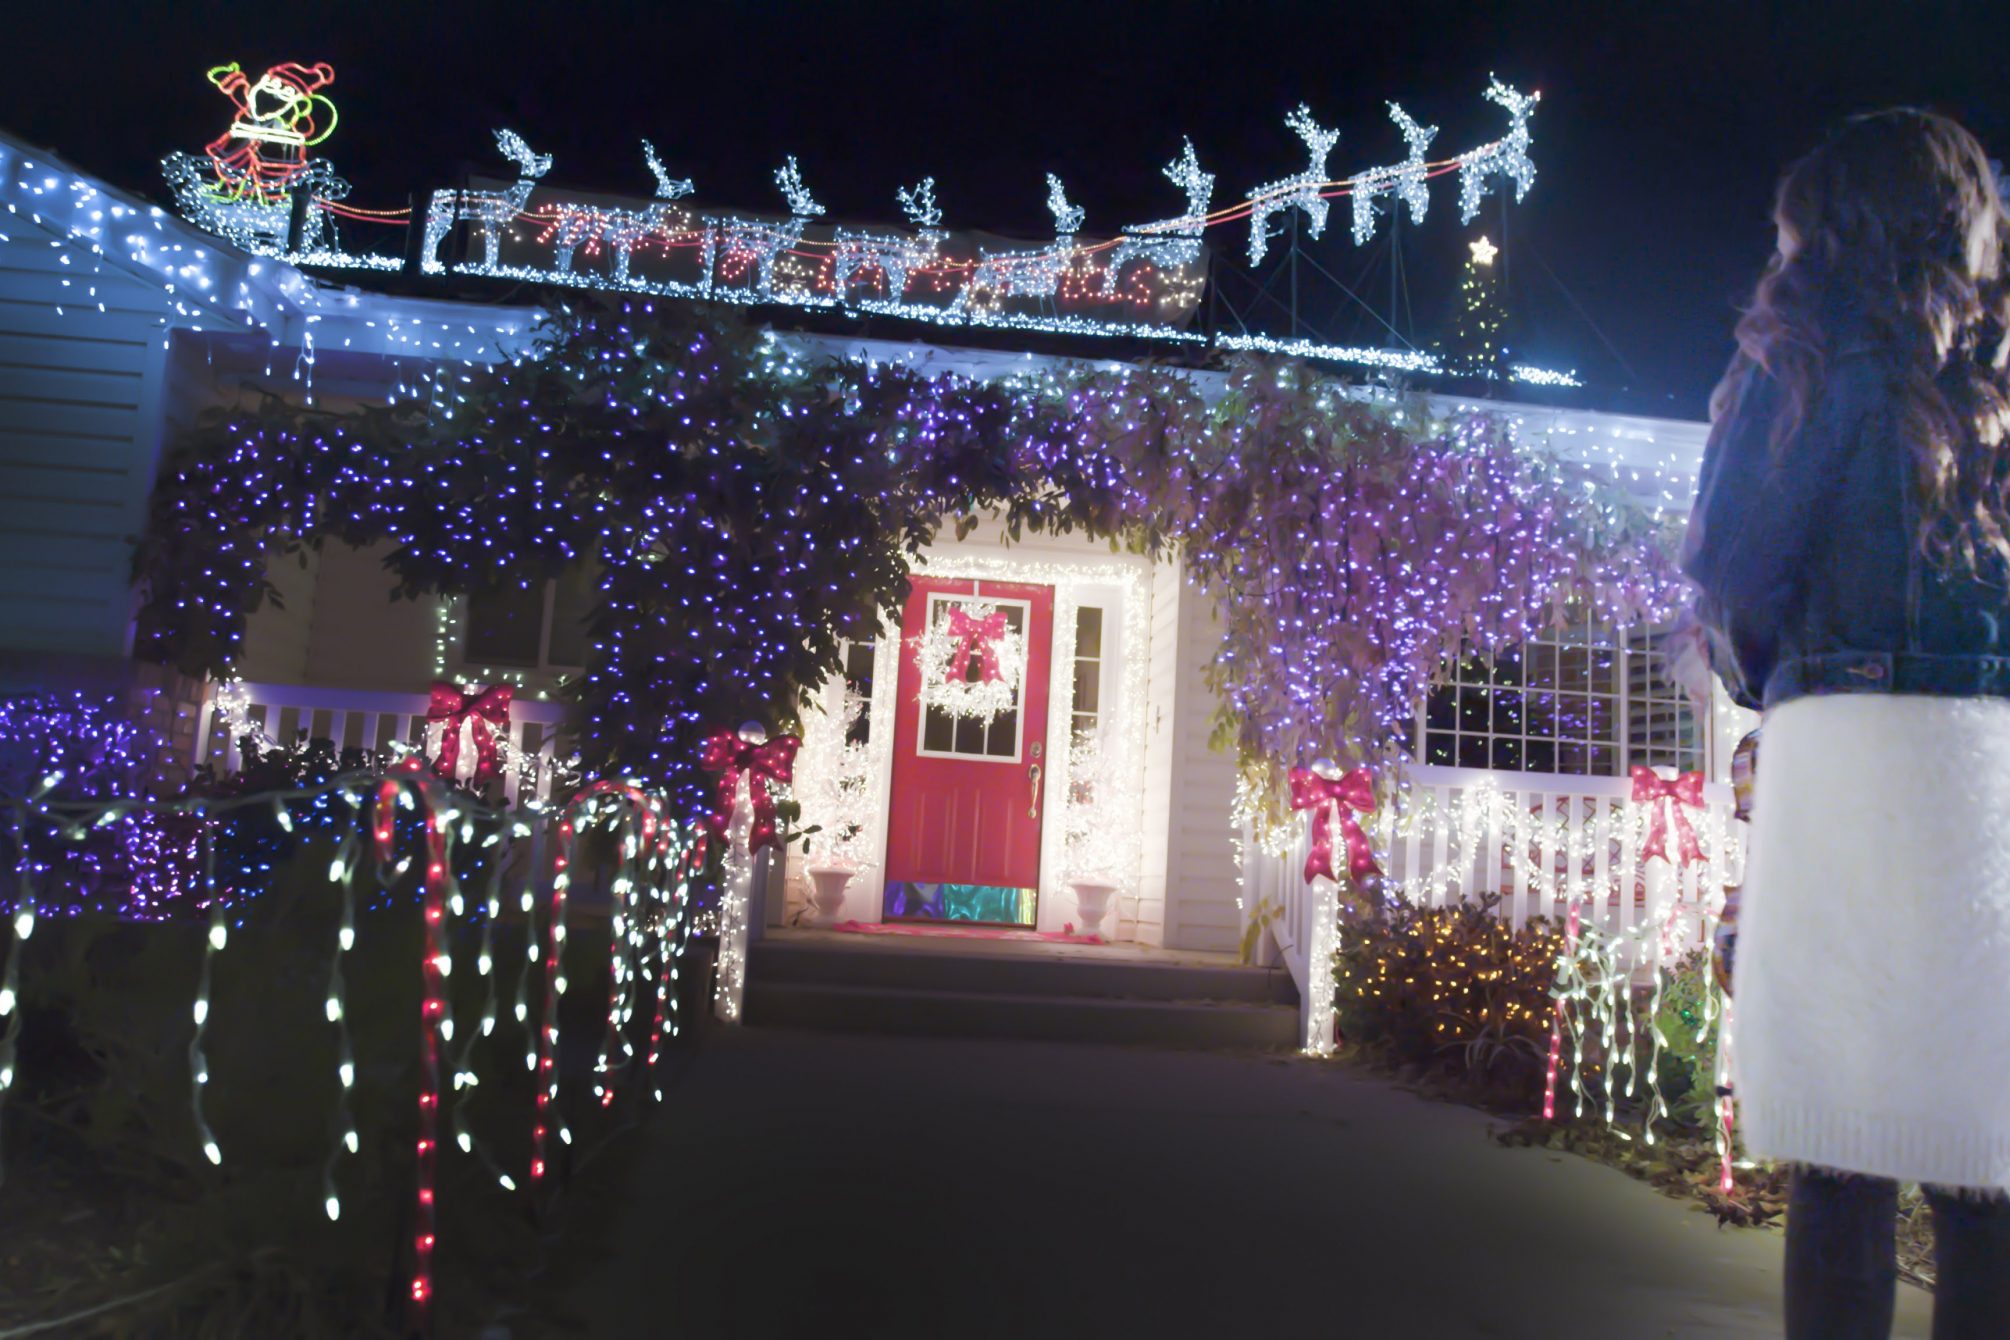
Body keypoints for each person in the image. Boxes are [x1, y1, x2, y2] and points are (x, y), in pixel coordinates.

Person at [1684, 108, 2010, 1339]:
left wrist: (1778, 675)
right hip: (1994, 779)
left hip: (1849, 763)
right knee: (1987, 1158)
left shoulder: (1801, 359)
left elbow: (1734, 568)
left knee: (1841, 1151)